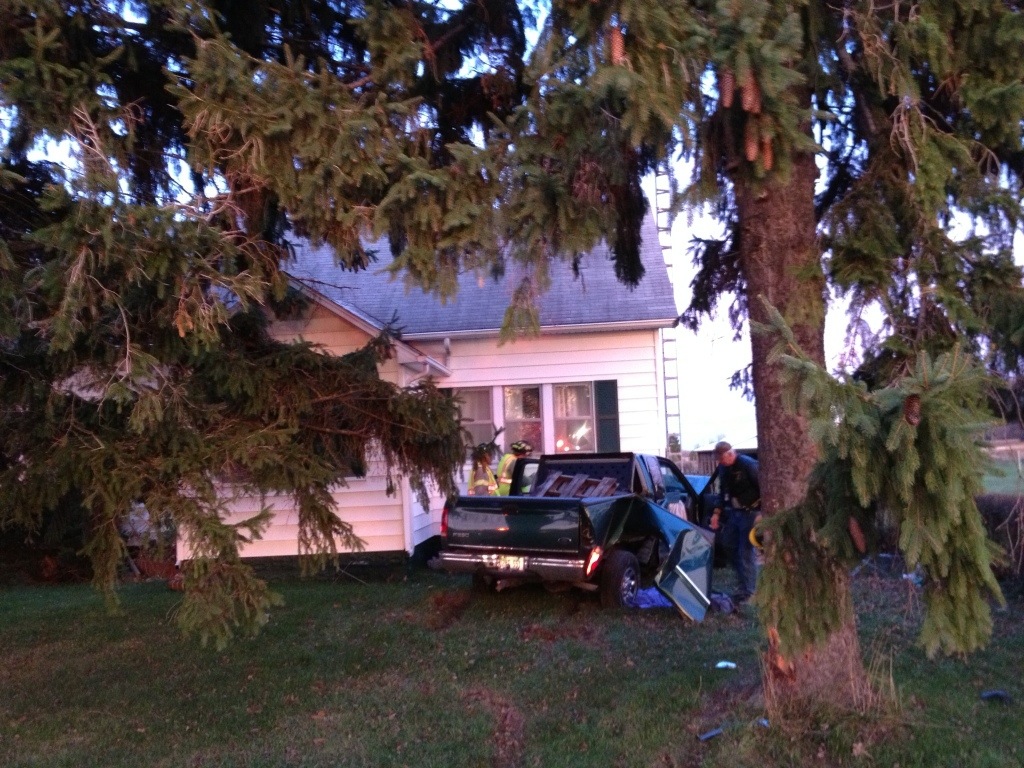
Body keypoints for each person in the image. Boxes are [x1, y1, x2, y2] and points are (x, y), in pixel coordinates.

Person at [710, 440, 761, 603]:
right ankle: (743, 581)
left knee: (745, 551)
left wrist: (762, 512)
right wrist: (716, 513)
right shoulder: (723, 469)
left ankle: (749, 591)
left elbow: (763, 487)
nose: (720, 462)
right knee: (728, 544)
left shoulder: (748, 464)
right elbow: (722, 492)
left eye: (721, 459)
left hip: (751, 513)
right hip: (734, 513)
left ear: (730, 454)